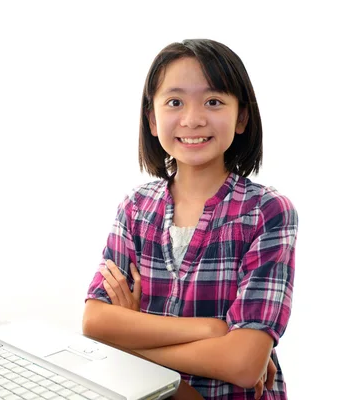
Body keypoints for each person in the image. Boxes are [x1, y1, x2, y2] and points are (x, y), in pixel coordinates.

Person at [82, 39, 298, 400]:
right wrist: (214, 330)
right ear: (152, 118)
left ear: (241, 116)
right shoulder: (135, 208)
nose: (193, 118)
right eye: (175, 102)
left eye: (213, 101)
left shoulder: (267, 211)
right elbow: (95, 322)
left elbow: (243, 366)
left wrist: (130, 341)